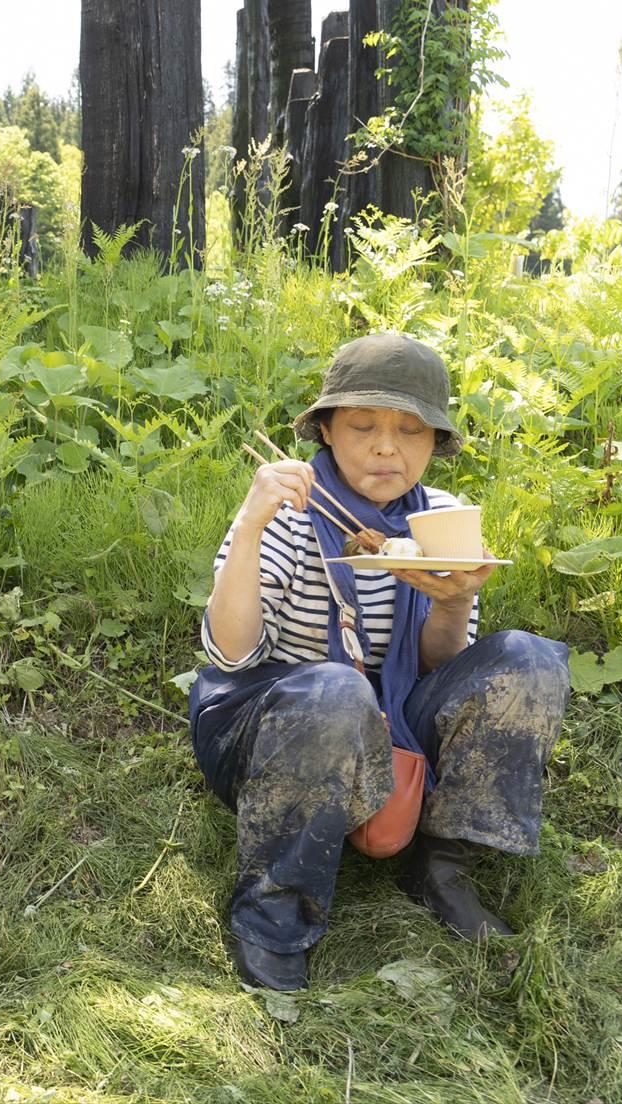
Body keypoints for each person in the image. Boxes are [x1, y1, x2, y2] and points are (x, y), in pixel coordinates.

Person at [190, 334, 569, 991]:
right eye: (363, 425)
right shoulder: (290, 509)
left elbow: (440, 670)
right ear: (329, 430)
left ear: (434, 442)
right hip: (275, 733)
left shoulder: (442, 519)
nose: (386, 447)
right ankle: (274, 909)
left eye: (410, 430)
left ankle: (441, 863)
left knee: (527, 660)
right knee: (339, 690)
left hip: (389, 723)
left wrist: (453, 604)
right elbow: (231, 651)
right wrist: (250, 524)